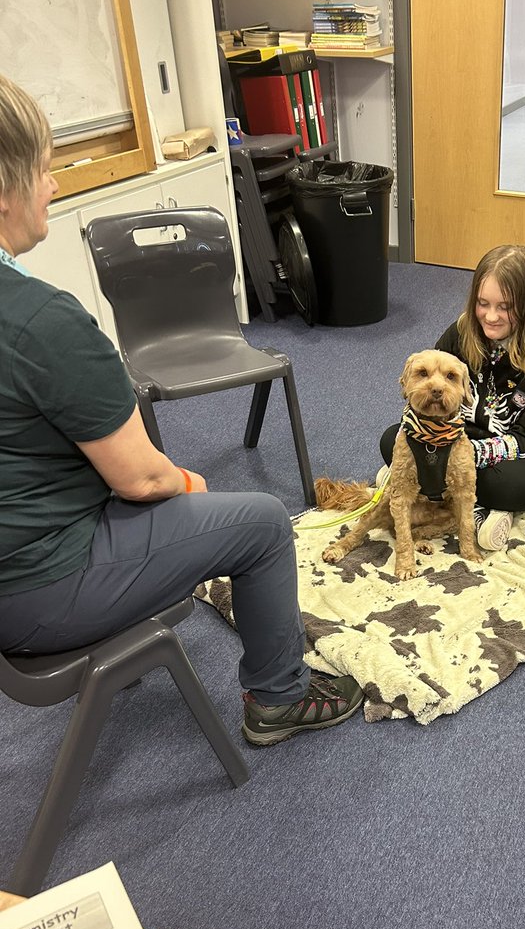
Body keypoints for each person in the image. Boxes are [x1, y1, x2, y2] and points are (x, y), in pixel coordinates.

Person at [0, 73, 363, 746]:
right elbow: (142, 479)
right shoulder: (41, 321)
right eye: (44, 170)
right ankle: (280, 699)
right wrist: (188, 484)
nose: (51, 186)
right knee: (261, 522)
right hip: (37, 592)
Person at [379, 244, 525, 550]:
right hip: (457, 438)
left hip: (524, 454)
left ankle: (476, 508)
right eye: (483, 304)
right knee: (392, 440)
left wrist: (461, 457)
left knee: (506, 485)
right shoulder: (461, 332)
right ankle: (442, 493)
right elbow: (429, 391)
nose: (491, 316)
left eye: (505, 307)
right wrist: (427, 443)